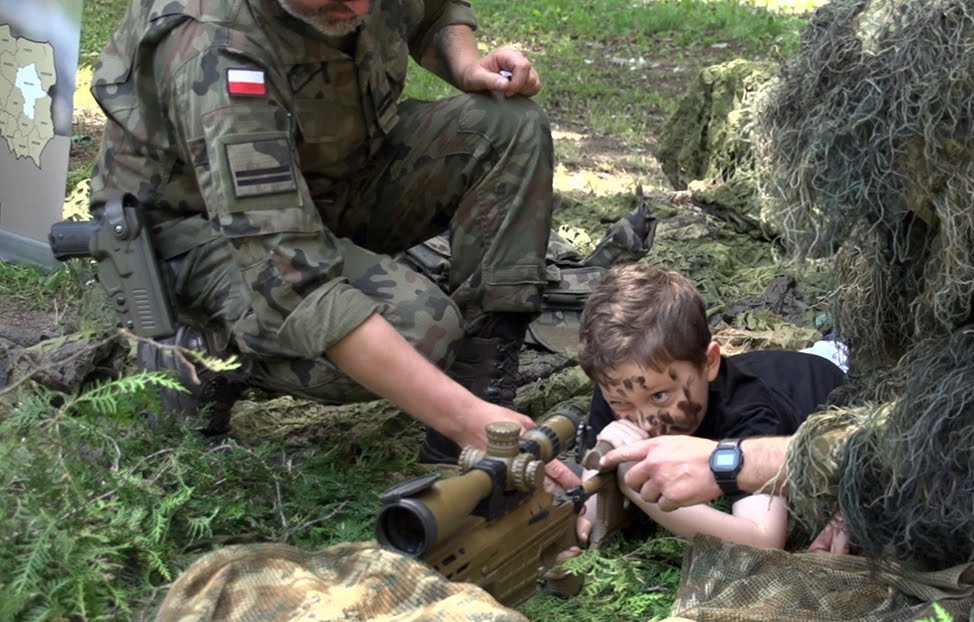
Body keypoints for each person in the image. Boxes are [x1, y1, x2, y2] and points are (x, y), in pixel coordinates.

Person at [88, 0, 572, 480]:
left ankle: (480, 402)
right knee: (421, 329)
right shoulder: (216, 50)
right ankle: (202, 349)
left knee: (512, 127)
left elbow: (435, 9)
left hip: (329, 174)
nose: (360, 5)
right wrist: (462, 417)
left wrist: (465, 64)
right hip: (199, 229)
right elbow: (296, 284)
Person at [573, 264, 846, 549]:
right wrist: (573, 531)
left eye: (660, 397)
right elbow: (592, 499)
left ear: (709, 362)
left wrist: (636, 482)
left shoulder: (748, 411)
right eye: (619, 403)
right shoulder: (622, 386)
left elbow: (763, 540)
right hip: (780, 366)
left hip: (842, 372)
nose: (644, 423)